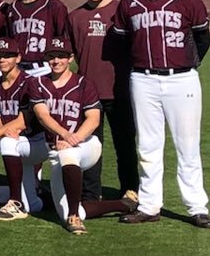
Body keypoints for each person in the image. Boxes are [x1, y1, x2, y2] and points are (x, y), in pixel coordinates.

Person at [113, 0, 210, 227]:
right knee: (148, 146)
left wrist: (187, 62)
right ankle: (149, 205)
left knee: (188, 145)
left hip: (182, 78)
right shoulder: (129, 2)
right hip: (143, 78)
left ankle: (197, 206)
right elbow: (122, 42)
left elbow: (202, 38)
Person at [30, 37, 133, 234]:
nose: (56, 61)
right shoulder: (38, 83)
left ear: (70, 58)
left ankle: (74, 218)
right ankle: (123, 204)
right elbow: (43, 116)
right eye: (52, 56)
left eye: (61, 56)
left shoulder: (84, 83)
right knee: (66, 205)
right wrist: (65, 135)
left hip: (85, 145)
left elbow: (93, 119)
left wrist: (73, 138)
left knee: (68, 155)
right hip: (58, 149)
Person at [69, 0, 136, 202]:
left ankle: (130, 190)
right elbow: (75, 53)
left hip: (120, 90)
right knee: (89, 145)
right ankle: (90, 193)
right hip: (88, 93)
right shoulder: (75, 16)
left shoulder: (122, 11)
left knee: (125, 144)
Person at [0, 38, 48, 221]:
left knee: (8, 142)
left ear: (18, 58)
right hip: (18, 142)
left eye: (7, 56)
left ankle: (14, 202)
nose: (2, 60)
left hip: (38, 142)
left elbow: (23, 121)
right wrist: (0, 131)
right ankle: (43, 197)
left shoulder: (30, 82)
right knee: (33, 205)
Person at [8, 0, 71, 77]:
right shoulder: (12, 8)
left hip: (44, 68)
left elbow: (63, 40)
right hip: (18, 69)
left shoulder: (54, 5)